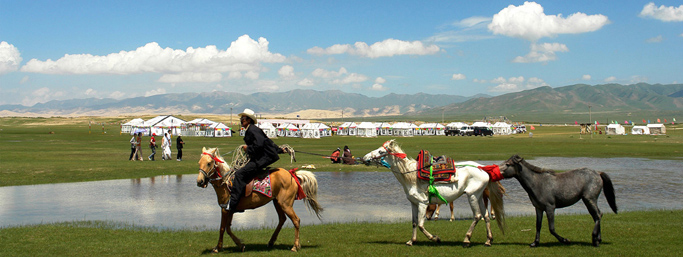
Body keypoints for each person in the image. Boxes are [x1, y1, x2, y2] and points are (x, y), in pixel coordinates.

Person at [227, 108, 288, 212]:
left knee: (239, 174)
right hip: (260, 157)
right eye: (241, 118)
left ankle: (233, 204)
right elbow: (267, 142)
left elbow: (259, 146)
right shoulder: (253, 129)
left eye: (243, 118)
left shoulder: (252, 130)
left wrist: (247, 148)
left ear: (249, 120)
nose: (241, 120)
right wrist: (279, 150)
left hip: (261, 159)